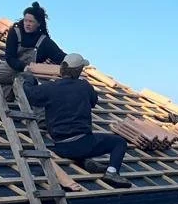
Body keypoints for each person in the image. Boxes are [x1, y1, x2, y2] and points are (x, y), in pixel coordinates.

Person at [25, 53, 132, 188]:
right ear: (79, 70)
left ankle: (83, 161)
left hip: (60, 147)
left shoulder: (50, 88)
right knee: (119, 142)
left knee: (79, 146)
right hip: (83, 144)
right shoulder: (84, 86)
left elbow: (29, 94)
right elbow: (93, 101)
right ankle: (111, 172)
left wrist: (30, 79)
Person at [0, 1, 65, 98]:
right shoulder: (15, 31)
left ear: (39, 23)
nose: (27, 24)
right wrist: (23, 66)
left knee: (39, 92)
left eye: (31, 22)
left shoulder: (44, 41)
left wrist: (72, 66)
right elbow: (10, 57)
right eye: (25, 20)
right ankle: (11, 92)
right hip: (11, 68)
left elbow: (61, 57)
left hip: (27, 76)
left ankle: (22, 91)